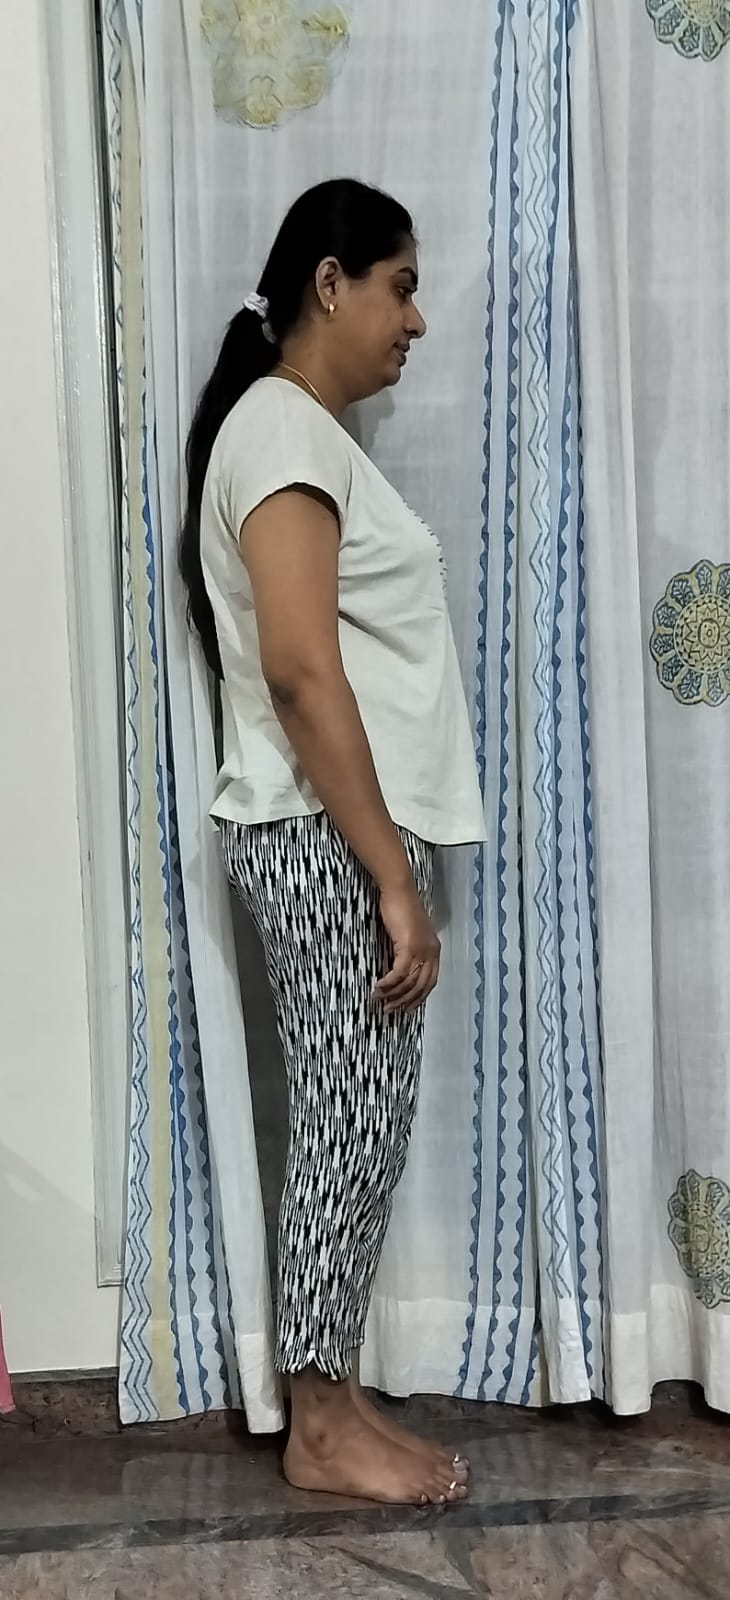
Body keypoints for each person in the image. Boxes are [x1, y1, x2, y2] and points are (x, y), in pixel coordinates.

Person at [180, 178, 487, 1506]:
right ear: (329, 281)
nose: (415, 320)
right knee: (347, 1126)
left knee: (357, 1123)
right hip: (325, 840)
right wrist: (390, 882)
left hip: (333, 835)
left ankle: (334, 1395)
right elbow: (303, 672)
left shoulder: (294, 433)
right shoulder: (281, 433)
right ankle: (318, 1424)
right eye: (400, 286)